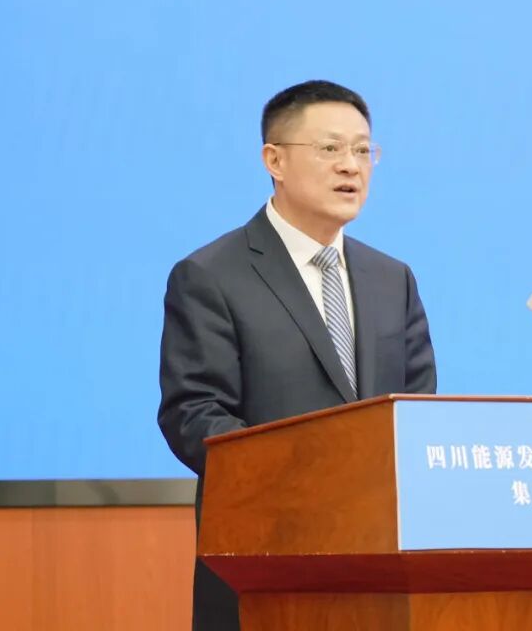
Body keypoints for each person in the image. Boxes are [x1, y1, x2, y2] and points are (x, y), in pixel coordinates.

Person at [157, 80, 438, 631]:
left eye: (363, 150)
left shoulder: (392, 278)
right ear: (275, 160)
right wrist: (313, 481)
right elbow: (194, 414)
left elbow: (417, 411)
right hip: (267, 564)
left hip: (382, 572)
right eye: (330, 148)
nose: (351, 166)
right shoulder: (211, 275)